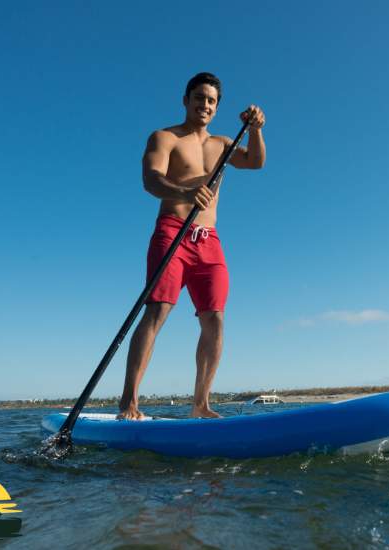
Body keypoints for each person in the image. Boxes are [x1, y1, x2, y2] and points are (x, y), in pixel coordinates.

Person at [118, 73, 266, 420]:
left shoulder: (223, 144)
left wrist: (256, 128)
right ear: (186, 99)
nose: (205, 105)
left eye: (212, 101)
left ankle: (200, 405)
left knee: (214, 319)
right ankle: (129, 403)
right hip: (172, 231)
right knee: (156, 311)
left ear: (217, 107)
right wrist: (184, 192)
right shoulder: (165, 137)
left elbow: (256, 161)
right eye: (199, 97)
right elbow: (150, 179)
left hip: (209, 241)